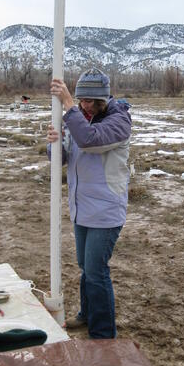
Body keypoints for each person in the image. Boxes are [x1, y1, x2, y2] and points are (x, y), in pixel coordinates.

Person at [47, 68, 131, 339]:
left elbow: (89, 140)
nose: (83, 106)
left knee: (96, 271)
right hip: (81, 208)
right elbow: (62, 157)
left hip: (106, 211)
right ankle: (87, 315)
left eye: (88, 101)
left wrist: (69, 106)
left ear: (102, 100)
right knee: (86, 269)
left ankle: (104, 334)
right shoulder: (78, 119)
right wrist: (53, 144)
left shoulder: (119, 121)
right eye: (80, 100)